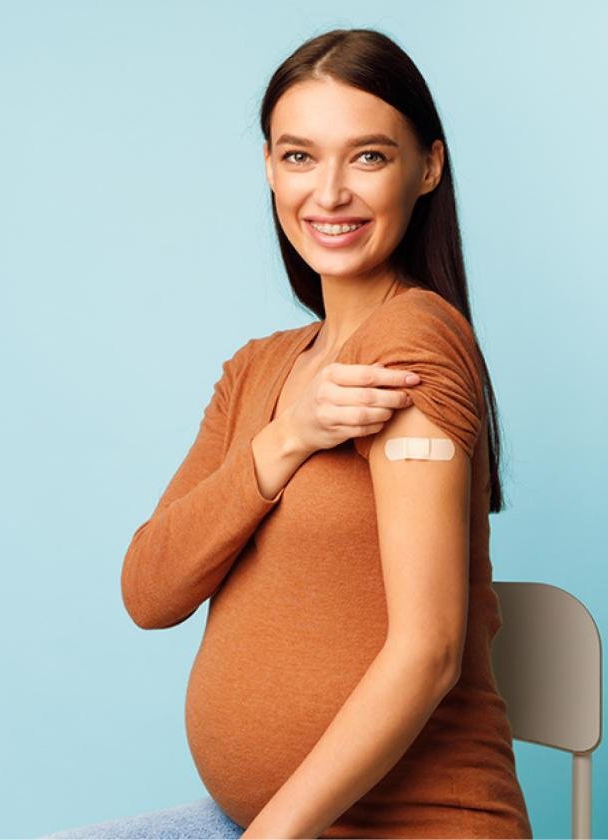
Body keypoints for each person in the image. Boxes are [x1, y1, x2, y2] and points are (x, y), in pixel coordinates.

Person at [46, 27, 530, 840]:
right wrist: (286, 438)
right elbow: (150, 589)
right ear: (270, 168)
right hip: (250, 821)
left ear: (428, 169)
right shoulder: (258, 371)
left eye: (368, 156)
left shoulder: (411, 344)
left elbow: (431, 651)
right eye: (300, 156)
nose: (330, 193)